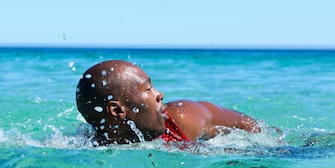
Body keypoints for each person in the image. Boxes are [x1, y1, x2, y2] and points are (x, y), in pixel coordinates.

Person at [75, 60, 262, 146]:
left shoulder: (182, 119)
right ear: (116, 110)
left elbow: (247, 125)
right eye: (148, 89)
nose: (159, 95)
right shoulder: (88, 146)